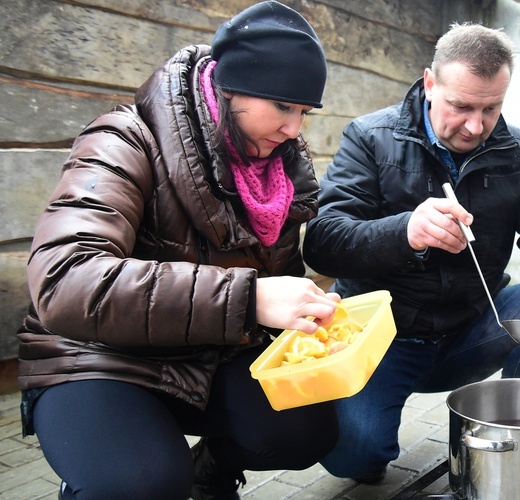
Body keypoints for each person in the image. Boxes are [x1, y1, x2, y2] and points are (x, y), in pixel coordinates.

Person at [17, 2, 340, 499]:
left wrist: (311, 321)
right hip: (97, 356)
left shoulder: (279, 174)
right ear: (230, 87)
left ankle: (209, 471)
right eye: (283, 106)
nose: (294, 129)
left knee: (307, 429)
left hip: (207, 352)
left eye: (303, 112)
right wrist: (249, 299)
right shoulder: (124, 140)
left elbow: (277, 284)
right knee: (142, 482)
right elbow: (64, 280)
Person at [302, 22, 520, 483]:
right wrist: (406, 231)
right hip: (382, 339)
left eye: (491, 108)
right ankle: (365, 422)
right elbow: (323, 241)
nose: (476, 126)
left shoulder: (519, 151)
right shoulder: (370, 137)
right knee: (356, 460)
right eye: (461, 106)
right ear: (430, 83)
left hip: (471, 328)